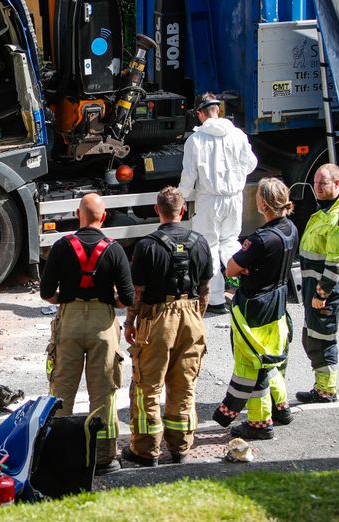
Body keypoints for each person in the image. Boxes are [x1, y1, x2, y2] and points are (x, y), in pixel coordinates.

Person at [41, 193, 134, 475]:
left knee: (61, 392)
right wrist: (109, 304)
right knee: (103, 393)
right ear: (103, 217)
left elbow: (46, 293)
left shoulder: (61, 246)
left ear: (77, 215)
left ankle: (59, 454)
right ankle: (104, 457)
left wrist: (66, 301)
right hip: (103, 325)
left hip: (69, 322)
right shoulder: (115, 249)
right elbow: (127, 298)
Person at [122, 186, 213, 467]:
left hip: (157, 318)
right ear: (183, 210)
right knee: (184, 384)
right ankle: (180, 447)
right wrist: (196, 315)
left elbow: (137, 291)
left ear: (156, 210)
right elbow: (205, 289)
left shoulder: (147, 246)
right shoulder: (200, 243)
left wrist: (129, 322)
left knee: (147, 385)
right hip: (191, 315)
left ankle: (146, 450)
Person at [213, 177, 298, 439]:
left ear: (263, 203)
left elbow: (231, 268)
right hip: (278, 302)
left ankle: (260, 423)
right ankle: (281, 408)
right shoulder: (291, 229)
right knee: (271, 357)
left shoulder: (261, 239)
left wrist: (244, 267)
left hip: (255, 307)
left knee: (254, 363)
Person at [178, 93, 258, 315]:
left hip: (209, 200)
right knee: (230, 241)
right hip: (234, 197)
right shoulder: (238, 135)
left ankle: (215, 300)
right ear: (218, 111)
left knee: (209, 246)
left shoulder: (195, 140)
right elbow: (251, 164)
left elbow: (189, 175)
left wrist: (180, 198)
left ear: (200, 114)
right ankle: (245, 284)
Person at [297, 163, 339, 403]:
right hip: (316, 286)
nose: (318, 188)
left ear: (337, 183)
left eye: (323, 183)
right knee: (312, 336)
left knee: (323, 340)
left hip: (326, 288)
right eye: (315, 183)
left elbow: (335, 263)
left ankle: (326, 391)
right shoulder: (325, 209)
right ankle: (321, 387)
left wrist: (321, 294)